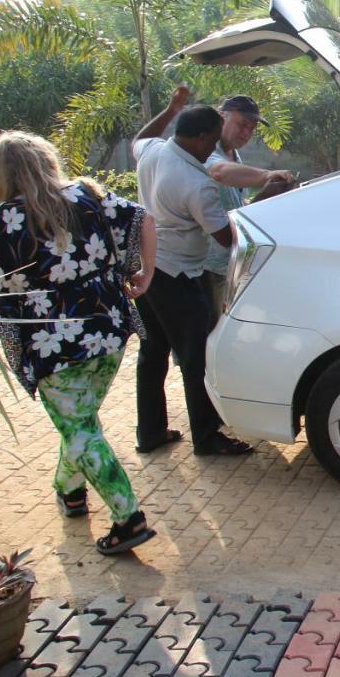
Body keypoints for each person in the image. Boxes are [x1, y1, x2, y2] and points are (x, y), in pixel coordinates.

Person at [0, 132, 158, 554]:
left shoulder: (5, 219)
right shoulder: (87, 194)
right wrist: (145, 275)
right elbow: (144, 219)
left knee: (77, 426)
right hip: (108, 328)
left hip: (53, 342)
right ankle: (70, 491)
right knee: (80, 421)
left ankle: (128, 518)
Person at [132, 88, 252, 456]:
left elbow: (140, 138)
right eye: (212, 141)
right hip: (178, 275)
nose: (213, 148)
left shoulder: (155, 151)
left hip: (147, 269)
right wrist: (265, 202)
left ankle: (150, 432)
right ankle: (206, 436)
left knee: (152, 351)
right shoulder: (196, 183)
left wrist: (170, 109)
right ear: (200, 138)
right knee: (197, 355)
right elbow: (223, 238)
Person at [199, 95, 296, 322]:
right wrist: (266, 176)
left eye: (251, 128)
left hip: (229, 261)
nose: (246, 133)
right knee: (206, 333)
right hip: (207, 264)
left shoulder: (234, 155)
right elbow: (219, 172)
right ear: (221, 117)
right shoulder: (206, 151)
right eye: (242, 124)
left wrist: (264, 197)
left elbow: (235, 207)